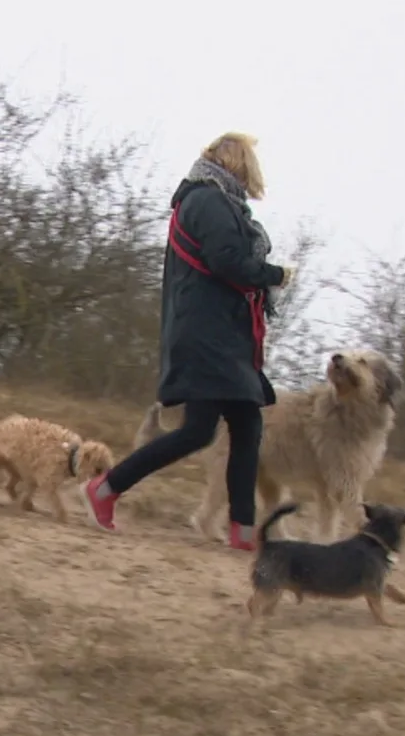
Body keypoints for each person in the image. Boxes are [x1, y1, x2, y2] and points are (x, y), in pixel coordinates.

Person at [81, 132, 295, 551]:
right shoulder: (208, 200)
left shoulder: (211, 200)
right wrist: (275, 275)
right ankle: (105, 488)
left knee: (247, 426)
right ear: (238, 163)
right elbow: (227, 262)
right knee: (199, 431)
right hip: (207, 335)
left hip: (220, 335)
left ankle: (243, 531)